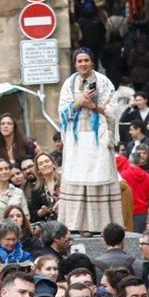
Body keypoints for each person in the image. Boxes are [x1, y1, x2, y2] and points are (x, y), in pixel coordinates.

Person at [58, 49, 124, 233]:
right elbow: (62, 112)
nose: (83, 64)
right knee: (77, 179)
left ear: (92, 62)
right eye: (79, 61)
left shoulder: (104, 82)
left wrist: (93, 106)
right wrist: (80, 102)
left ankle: (101, 225)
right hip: (76, 140)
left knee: (99, 177)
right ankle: (77, 225)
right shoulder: (69, 84)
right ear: (75, 63)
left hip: (98, 139)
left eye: (86, 60)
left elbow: (113, 111)